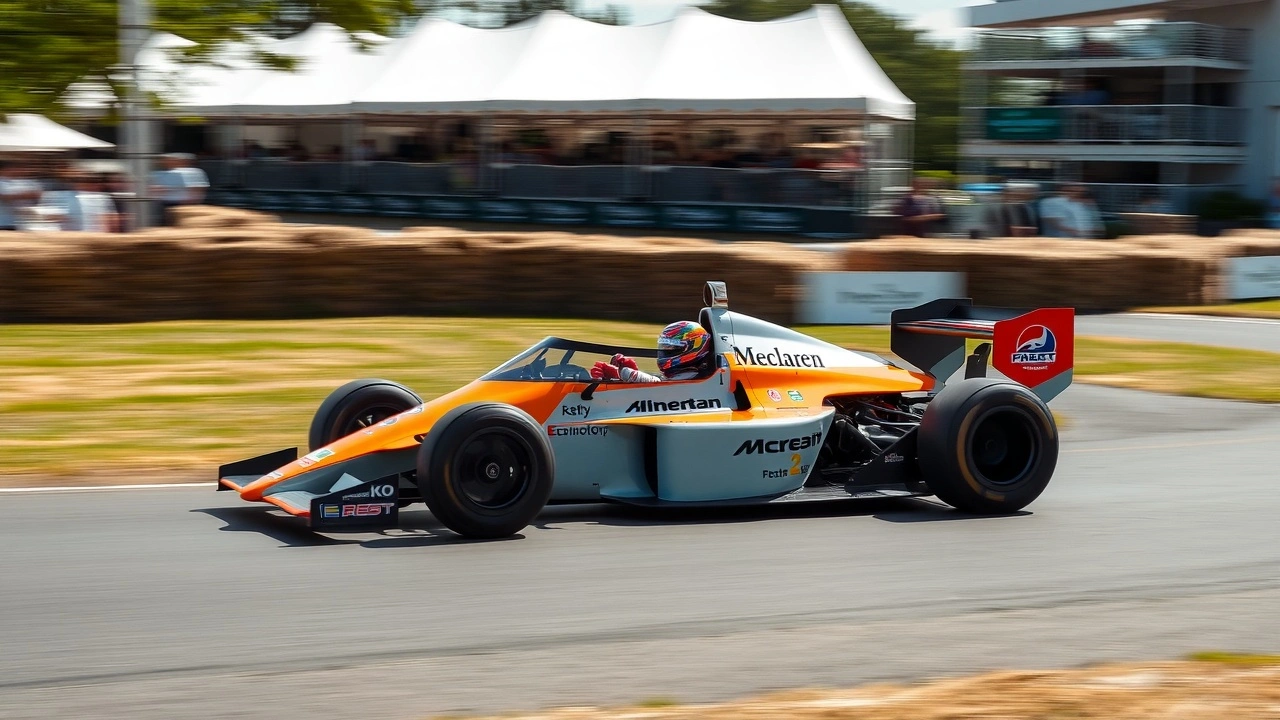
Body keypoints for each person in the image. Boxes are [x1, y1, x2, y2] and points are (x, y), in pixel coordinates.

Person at [590, 321, 714, 383]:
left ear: (694, 347)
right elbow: (660, 383)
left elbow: (665, 391)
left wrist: (622, 373)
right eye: (664, 346)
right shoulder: (678, 376)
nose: (664, 351)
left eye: (671, 348)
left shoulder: (693, 380)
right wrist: (634, 374)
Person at [0, 160, 44, 231]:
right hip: (3, 222)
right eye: (12, 168)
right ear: (3, 170)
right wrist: (27, 195)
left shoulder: (29, 182)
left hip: (24, 222)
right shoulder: (2, 182)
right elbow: (4, 197)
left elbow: (39, 196)